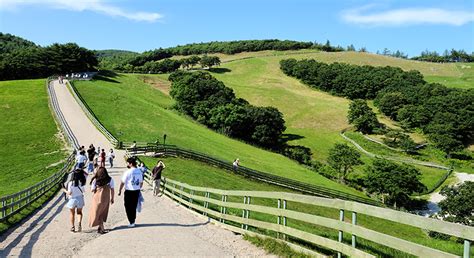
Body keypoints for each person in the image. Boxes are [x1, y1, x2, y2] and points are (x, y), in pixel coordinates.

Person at [118, 157, 143, 228]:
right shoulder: (139, 171)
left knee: (128, 206)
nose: (127, 164)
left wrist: (120, 190)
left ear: (131, 164)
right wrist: (138, 188)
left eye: (128, 163)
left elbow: (123, 182)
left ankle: (131, 221)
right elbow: (141, 182)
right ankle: (133, 220)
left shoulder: (128, 172)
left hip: (129, 191)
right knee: (134, 206)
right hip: (136, 191)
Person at [89, 167, 115, 234]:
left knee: (97, 212)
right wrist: (112, 198)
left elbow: (92, 190)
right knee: (102, 213)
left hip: (96, 198)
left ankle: (101, 228)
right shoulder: (110, 179)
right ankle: (101, 228)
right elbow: (112, 189)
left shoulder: (95, 180)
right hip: (106, 198)